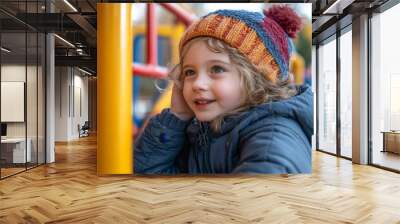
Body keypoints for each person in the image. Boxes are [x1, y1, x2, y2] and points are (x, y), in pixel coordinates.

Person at [134, 5, 313, 174]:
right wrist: (176, 117)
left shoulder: (272, 139)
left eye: (217, 69)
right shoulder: (201, 127)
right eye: (190, 72)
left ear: (259, 79)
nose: (197, 83)